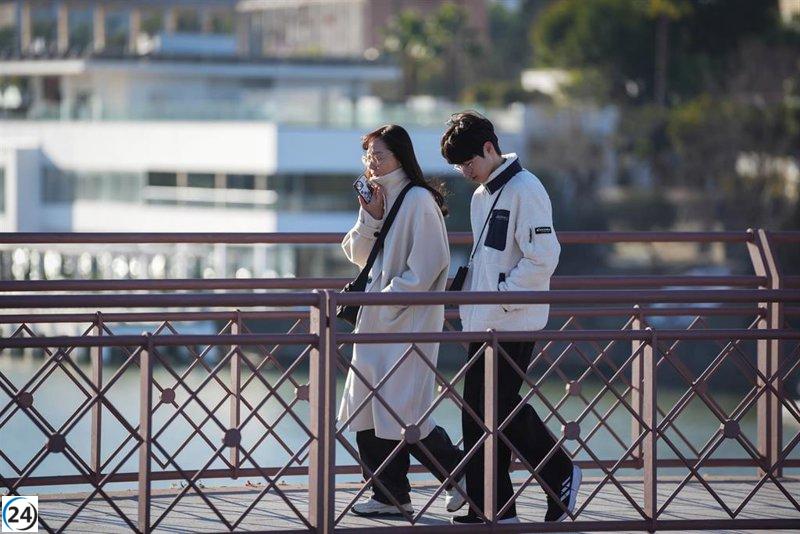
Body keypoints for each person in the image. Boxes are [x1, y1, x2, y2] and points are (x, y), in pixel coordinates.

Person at [440, 111, 581, 524]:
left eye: (469, 163)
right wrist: (471, 295)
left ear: (490, 148)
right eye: (458, 167)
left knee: (495, 408)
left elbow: (544, 257)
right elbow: (491, 258)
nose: (466, 172)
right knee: (478, 412)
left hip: (513, 321)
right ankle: (494, 506)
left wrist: (499, 298)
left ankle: (559, 471)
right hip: (484, 320)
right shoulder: (483, 195)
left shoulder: (526, 188)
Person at [339, 124, 466, 517]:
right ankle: (389, 494)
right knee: (368, 407)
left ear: (400, 157)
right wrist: (370, 217)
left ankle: (460, 475)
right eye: (368, 156)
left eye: (379, 156)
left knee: (403, 412)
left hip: (404, 323)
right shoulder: (383, 198)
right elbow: (358, 256)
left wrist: (384, 299)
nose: (372, 164)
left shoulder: (417, 200)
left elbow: (429, 266)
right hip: (380, 322)